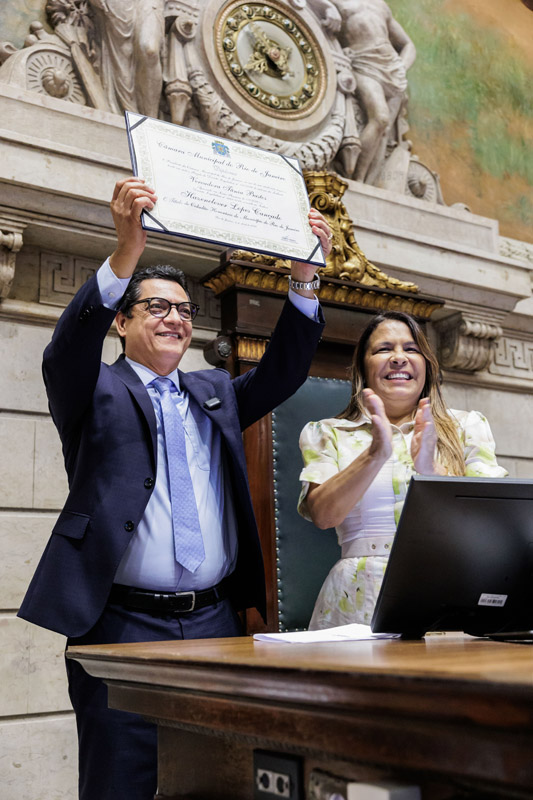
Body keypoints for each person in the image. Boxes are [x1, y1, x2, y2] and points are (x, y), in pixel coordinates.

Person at [18, 176, 332, 800]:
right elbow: (66, 349)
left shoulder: (213, 393)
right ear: (121, 322)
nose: (175, 319)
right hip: (121, 623)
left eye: (185, 311)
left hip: (215, 620)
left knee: (216, 781)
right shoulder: (93, 389)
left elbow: (283, 373)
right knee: (120, 783)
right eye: (158, 307)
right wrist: (125, 252)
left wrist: (303, 279)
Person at [297, 310, 507, 630]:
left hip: (449, 588)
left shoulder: (467, 426)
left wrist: (430, 473)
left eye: (411, 349)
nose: (399, 358)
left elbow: (493, 521)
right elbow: (324, 516)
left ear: (427, 366)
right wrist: (375, 454)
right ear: (363, 368)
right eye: (384, 349)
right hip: (356, 597)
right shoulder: (326, 433)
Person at [310, 0, 416, 182]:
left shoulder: (380, 5)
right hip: (362, 62)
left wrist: (402, 67)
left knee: (384, 133)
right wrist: (327, 6)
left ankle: (363, 182)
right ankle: (353, 179)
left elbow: (408, 45)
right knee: (380, 118)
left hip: (391, 68)